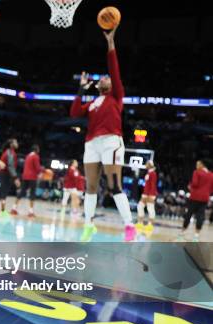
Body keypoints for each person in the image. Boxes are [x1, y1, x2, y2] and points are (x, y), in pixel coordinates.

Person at [70, 26, 135, 242]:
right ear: (98, 85)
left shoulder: (116, 96)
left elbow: (114, 70)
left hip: (111, 142)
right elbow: (74, 112)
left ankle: (129, 226)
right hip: (91, 143)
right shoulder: (92, 103)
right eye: (104, 78)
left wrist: (110, 44)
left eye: (108, 78)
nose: (106, 78)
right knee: (90, 186)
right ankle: (88, 224)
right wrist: (81, 88)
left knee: (114, 185)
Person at [178, 160, 213, 242]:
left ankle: (182, 233)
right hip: (205, 198)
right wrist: (206, 192)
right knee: (200, 216)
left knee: (189, 214)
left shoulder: (197, 172)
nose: (196, 166)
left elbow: (195, 183)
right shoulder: (211, 175)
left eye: (198, 164)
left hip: (195, 197)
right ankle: (196, 236)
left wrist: (190, 186)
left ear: (202, 165)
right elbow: (211, 188)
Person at [11, 144, 42, 218]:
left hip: (25, 176)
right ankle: (31, 212)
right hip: (32, 177)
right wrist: (43, 170)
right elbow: (37, 168)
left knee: (22, 192)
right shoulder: (36, 156)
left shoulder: (28, 156)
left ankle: (13, 208)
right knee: (32, 194)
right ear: (37, 150)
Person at [0, 138, 20, 215]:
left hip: (3, 173)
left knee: (1, 190)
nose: (17, 143)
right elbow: (11, 166)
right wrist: (15, 178)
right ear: (11, 144)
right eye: (15, 142)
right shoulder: (10, 153)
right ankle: (3, 211)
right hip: (6, 174)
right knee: (4, 191)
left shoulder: (7, 151)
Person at [136, 160, 158, 233]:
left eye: (146, 164)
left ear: (150, 165)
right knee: (140, 206)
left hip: (150, 195)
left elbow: (153, 185)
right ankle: (140, 223)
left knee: (150, 208)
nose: (145, 165)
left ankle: (150, 225)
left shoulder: (153, 173)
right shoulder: (148, 173)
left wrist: (150, 195)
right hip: (145, 193)